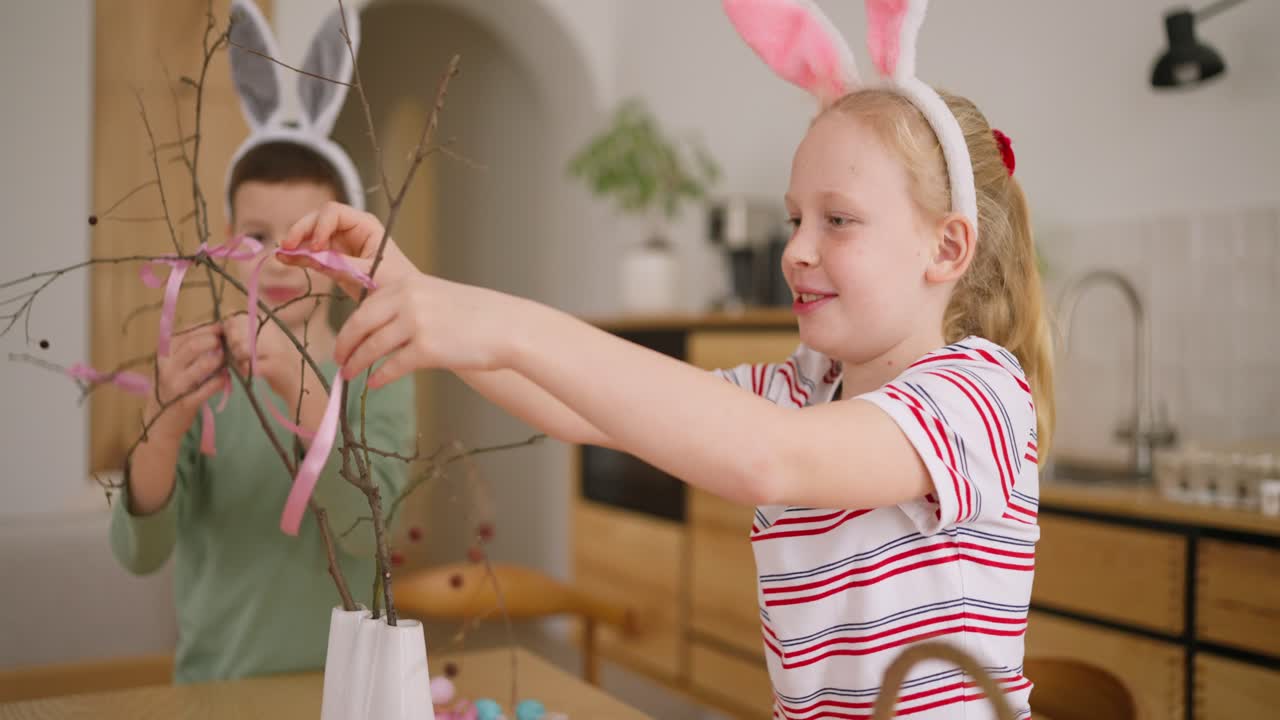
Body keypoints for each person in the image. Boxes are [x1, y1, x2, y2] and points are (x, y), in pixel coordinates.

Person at [282, 2, 1053, 716]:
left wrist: (499, 323)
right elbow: (579, 406)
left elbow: (770, 460)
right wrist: (423, 292)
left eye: (838, 220)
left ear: (946, 247)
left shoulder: (978, 394)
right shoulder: (802, 387)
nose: (795, 250)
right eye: (794, 219)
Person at [109, 0, 414, 683]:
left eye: (306, 237)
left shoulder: (381, 364)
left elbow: (373, 534)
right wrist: (163, 424)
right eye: (255, 237)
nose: (278, 260)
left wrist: (302, 389)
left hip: (348, 690)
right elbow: (140, 553)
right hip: (217, 688)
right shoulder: (200, 373)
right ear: (223, 245)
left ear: (344, 246)